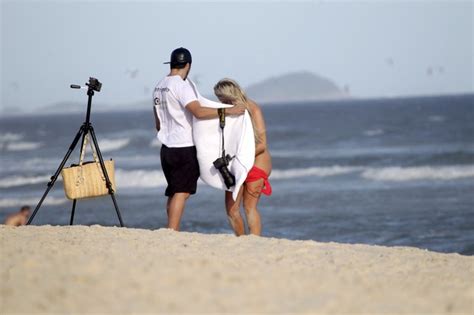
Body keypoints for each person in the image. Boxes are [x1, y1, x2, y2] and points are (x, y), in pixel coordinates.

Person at [153, 47, 245, 231]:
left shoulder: (159, 87)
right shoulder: (181, 85)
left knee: (173, 191)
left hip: (166, 148)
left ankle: (169, 229)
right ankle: (171, 231)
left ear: (171, 64)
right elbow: (199, 112)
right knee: (182, 192)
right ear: (188, 65)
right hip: (183, 147)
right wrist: (229, 111)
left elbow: (158, 123)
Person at [214, 78, 272, 236]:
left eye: (224, 99)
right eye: (219, 99)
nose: (222, 102)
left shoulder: (253, 109)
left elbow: (262, 144)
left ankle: (254, 243)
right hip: (235, 162)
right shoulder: (225, 111)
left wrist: (240, 157)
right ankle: (241, 241)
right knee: (232, 210)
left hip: (257, 160)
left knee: (249, 207)